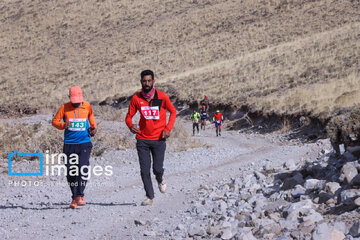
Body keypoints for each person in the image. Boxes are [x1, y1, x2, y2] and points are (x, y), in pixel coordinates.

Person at [125, 70, 177, 206]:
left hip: (159, 139)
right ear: (141, 82)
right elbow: (128, 117)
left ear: (153, 81)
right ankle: (149, 196)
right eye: (144, 81)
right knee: (144, 170)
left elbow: (173, 111)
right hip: (142, 139)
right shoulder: (136, 98)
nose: (146, 83)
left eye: (149, 81)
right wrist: (131, 126)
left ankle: (160, 179)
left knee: (157, 169)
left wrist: (168, 129)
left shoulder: (162, 97)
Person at [52, 86, 97, 209]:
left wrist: (93, 129)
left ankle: (79, 195)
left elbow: (92, 121)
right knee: (71, 171)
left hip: (84, 142)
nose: (77, 102)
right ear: (69, 98)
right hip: (70, 144)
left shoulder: (87, 106)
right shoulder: (64, 107)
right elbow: (54, 121)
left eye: (78, 99)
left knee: (83, 168)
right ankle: (75, 196)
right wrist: (63, 125)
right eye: (74, 100)